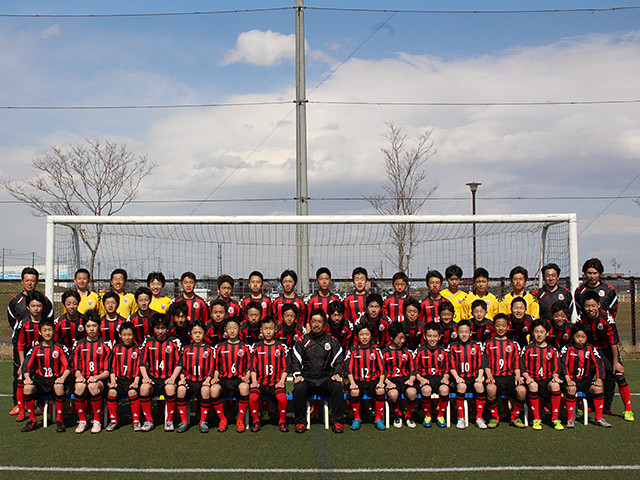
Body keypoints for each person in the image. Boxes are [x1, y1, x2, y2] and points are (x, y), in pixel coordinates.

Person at [578, 290, 633, 420]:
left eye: (593, 306)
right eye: (587, 306)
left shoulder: (607, 319)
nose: (590, 309)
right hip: (591, 351)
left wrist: (616, 362)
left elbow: (613, 342)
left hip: (607, 350)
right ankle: (581, 408)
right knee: (582, 377)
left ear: (598, 305)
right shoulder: (581, 319)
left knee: (618, 375)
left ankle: (628, 410)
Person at [291, 308, 347, 434]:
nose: (316, 325)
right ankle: (300, 421)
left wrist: (337, 374)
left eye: (319, 322)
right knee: (298, 388)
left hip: (325, 379)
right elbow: (295, 361)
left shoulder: (332, 341)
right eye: (314, 321)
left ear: (325, 324)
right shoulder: (302, 341)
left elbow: (338, 361)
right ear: (310, 323)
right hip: (307, 379)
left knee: (337, 386)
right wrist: (297, 375)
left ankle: (337, 421)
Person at [8, 267, 53, 417]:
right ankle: (18, 405)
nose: (29, 283)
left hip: (41, 347)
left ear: (37, 282)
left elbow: (49, 322)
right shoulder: (15, 301)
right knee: (20, 373)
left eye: (32, 281)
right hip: (23, 344)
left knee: (40, 374)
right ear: (22, 281)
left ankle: (40, 404)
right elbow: (13, 321)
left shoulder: (45, 301)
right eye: (27, 280)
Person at [20, 319, 70, 433]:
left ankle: (59, 420)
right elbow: (25, 366)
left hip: (55, 379)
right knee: (27, 388)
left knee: (59, 387)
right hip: (40, 381)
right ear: (40, 332)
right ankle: (32, 421)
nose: (47, 333)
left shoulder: (60, 348)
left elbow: (68, 367)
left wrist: (62, 378)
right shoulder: (36, 349)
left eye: (50, 330)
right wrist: (27, 378)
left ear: (54, 331)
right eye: (45, 330)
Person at [138, 313, 182, 432]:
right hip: (153, 378)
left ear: (167, 328)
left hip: (168, 378)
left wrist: (173, 378)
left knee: (170, 388)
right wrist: (145, 377)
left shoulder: (174, 342)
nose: (160, 331)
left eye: (163, 328)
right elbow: (142, 363)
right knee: (144, 388)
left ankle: (169, 420)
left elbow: (179, 363)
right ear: (153, 328)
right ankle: (148, 420)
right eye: (157, 328)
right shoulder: (148, 342)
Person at [561, 323, 610, 428]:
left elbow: (598, 363)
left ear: (587, 337)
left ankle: (599, 418)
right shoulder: (567, 348)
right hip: (570, 380)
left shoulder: (590, 348)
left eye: (583, 337)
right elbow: (563, 364)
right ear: (573, 336)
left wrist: (599, 379)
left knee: (598, 389)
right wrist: (568, 379)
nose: (580, 339)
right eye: (577, 336)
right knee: (571, 389)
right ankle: (570, 419)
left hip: (585, 380)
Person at [482, 314, 527, 429]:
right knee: (490, 389)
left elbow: (516, 364)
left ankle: (515, 416)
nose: (500, 328)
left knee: (522, 391)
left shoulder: (513, 344)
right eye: (498, 326)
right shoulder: (488, 344)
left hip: (509, 377)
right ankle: (494, 417)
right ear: (494, 327)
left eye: (503, 326)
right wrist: (489, 376)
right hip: (495, 377)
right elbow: (486, 364)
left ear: (508, 327)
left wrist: (518, 377)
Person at [71, 311, 112, 434]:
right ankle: (82, 421)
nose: (91, 329)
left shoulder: (105, 344)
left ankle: (97, 420)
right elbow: (76, 370)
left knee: (93, 386)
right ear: (84, 327)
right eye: (88, 326)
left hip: (99, 382)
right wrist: (80, 376)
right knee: (79, 386)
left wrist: (96, 377)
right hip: (85, 379)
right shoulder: (78, 345)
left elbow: (107, 372)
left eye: (94, 326)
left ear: (99, 326)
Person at [209, 317, 252, 433]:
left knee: (244, 388)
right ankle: (223, 420)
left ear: (240, 330)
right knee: (214, 390)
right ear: (225, 330)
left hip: (239, 379)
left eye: (235, 328)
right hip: (224, 380)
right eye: (229, 328)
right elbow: (217, 367)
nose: (232, 331)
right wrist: (215, 378)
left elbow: (249, 366)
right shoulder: (219, 347)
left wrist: (247, 376)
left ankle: (240, 420)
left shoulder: (245, 347)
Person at [520, 319, 563, 430]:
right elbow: (522, 367)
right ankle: (536, 418)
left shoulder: (552, 350)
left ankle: (555, 418)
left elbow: (556, 368)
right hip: (533, 380)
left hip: (547, 381)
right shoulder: (527, 349)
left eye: (542, 332)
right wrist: (528, 378)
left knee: (555, 385)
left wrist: (555, 376)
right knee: (533, 385)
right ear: (532, 333)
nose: (539, 335)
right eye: (536, 332)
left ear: (547, 333)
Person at [249, 317, 290, 433]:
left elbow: (286, 367)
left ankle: (282, 421)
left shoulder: (282, 347)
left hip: (275, 383)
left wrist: (281, 382)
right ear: (261, 330)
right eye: (265, 329)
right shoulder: (256, 347)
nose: (268, 332)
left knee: (282, 398)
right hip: (261, 383)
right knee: (253, 397)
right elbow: (253, 366)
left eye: (271, 329)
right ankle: (256, 421)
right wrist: (254, 381)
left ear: (275, 330)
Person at [15, 290, 51, 422]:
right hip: (28, 359)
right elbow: (20, 345)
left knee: (43, 380)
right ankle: (21, 410)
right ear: (28, 307)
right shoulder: (24, 323)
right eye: (33, 306)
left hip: (43, 360)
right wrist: (22, 364)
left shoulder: (47, 324)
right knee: (21, 378)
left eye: (39, 306)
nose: (36, 309)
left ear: (43, 307)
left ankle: (42, 406)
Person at [175, 320, 215, 433]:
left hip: (203, 381)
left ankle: (203, 421)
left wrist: (208, 380)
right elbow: (182, 366)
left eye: (200, 332)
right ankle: (184, 421)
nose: (197, 335)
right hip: (190, 381)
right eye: (195, 333)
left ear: (204, 333)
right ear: (190, 334)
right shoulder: (186, 349)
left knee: (206, 390)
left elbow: (212, 367)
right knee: (181, 389)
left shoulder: (209, 350)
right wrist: (182, 379)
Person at [345, 324, 387, 430]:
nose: (364, 337)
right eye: (361, 334)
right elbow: (348, 369)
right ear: (357, 336)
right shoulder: (353, 351)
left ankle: (378, 418)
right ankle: (356, 418)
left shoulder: (376, 351)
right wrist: (352, 383)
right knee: (354, 392)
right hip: (357, 381)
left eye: (367, 334)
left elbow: (382, 369)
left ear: (371, 336)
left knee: (380, 390)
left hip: (372, 381)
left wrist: (381, 382)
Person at [449, 320, 486, 429]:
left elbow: (481, 364)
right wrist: (457, 378)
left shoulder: (476, 346)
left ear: (470, 333)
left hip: (473, 377)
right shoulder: (452, 346)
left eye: (466, 332)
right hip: (459, 379)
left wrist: (479, 377)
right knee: (461, 387)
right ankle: (461, 418)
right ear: (457, 333)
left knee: (479, 386)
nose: (464, 334)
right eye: (461, 332)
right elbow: (451, 366)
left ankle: (479, 418)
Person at [105, 322, 142, 431]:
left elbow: (139, 368)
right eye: (124, 335)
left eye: (130, 335)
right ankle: (113, 421)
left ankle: (136, 420)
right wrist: (112, 381)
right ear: (120, 335)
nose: (127, 337)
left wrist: (136, 382)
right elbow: (112, 367)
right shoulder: (116, 349)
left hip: (132, 380)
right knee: (112, 392)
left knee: (132, 392)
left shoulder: (138, 349)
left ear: (134, 335)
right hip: (119, 380)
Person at [413, 322, 450, 428]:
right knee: (426, 390)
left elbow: (447, 369)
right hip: (425, 378)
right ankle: (427, 416)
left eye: (435, 336)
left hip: (439, 378)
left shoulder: (444, 351)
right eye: (429, 336)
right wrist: (421, 379)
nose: (432, 339)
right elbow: (414, 370)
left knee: (444, 389)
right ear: (425, 336)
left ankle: (440, 416)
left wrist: (445, 378)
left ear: (439, 337)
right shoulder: (419, 352)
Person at [382, 322, 417, 428]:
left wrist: (411, 380)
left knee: (412, 392)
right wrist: (388, 382)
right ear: (392, 338)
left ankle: (408, 416)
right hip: (391, 380)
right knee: (393, 394)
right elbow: (381, 372)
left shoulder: (408, 353)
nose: (402, 341)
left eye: (404, 338)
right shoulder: (384, 353)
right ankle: (398, 415)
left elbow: (413, 371)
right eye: (400, 338)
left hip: (405, 379)